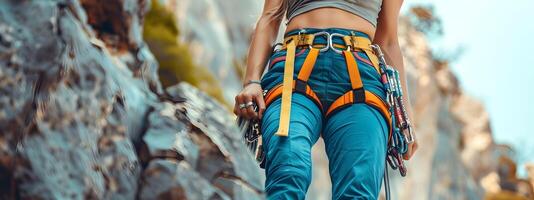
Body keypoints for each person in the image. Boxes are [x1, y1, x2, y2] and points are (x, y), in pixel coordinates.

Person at [234, 0, 418, 199]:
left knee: (359, 186)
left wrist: (405, 117)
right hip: (294, 69)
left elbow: (388, 40)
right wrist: (251, 81)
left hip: (362, 76)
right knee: (288, 168)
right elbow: (270, 16)